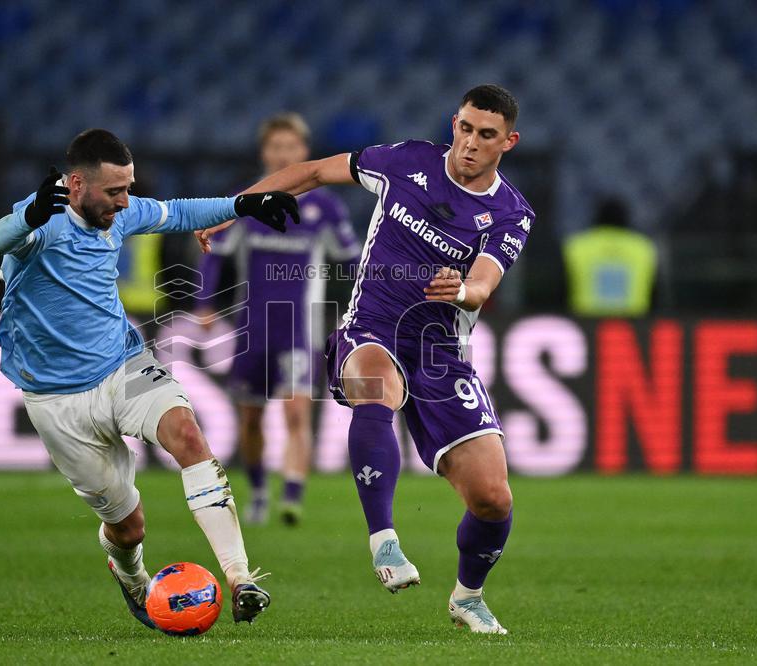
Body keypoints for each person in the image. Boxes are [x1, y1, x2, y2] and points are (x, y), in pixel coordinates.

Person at [198, 85, 534, 634]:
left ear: (509, 142)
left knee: (493, 499)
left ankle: (467, 597)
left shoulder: (511, 212)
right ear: (454, 122)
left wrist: (462, 292)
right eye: (466, 128)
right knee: (376, 388)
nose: (470, 143)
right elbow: (308, 173)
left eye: (487, 135)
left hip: (439, 352)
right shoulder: (405, 163)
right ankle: (384, 542)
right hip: (370, 329)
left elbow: (483, 283)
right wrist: (231, 209)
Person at [0, 129, 299, 629]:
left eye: (128, 188)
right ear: (76, 184)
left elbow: (179, 210)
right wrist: (28, 214)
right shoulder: (40, 221)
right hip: (56, 399)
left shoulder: (121, 213)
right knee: (128, 527)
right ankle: (132, 578)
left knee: (188, 435)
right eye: (114, 191)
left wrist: (245, 204)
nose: (124, 201)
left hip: (122, 365)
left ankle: (240, 579)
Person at [195, 113, 361, 526]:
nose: (283, 154)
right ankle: (256, 492)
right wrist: (205, 303)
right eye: (276, 147)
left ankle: (291, 494)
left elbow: (352, 260)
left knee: (296, 413)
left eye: (291, 147)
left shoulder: (324, 206)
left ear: (303, 152)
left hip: (299, 330)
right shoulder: (244, 202)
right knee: (250, 418)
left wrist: (358, 308)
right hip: (252, 327)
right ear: (265, 152)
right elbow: (215, 250)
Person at [563, 197, 658, 316]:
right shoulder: (643, 248)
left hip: (585, 322)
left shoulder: (577, 246)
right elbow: (656, 291)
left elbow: (561, 288)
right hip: (634, 325)